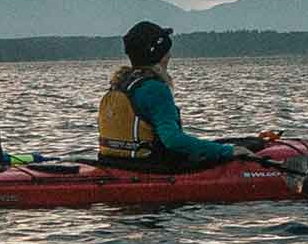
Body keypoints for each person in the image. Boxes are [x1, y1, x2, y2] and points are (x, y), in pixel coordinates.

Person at [95, 21, 266, 170]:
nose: (169, 55)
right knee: (229, 149)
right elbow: (172, 140)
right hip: (151, 166)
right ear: (157, 54)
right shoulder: (154, 89)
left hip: (115, 161)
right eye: (166, 51)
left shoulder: (120, 84)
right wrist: (229, 151)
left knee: (235, 143)